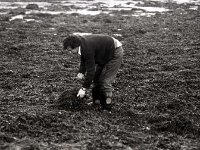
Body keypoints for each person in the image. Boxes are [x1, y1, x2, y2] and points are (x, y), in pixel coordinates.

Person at [63, 34, 123, 111]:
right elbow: (83, 57)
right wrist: (81, 71)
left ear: (76, 46)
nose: (70, 52)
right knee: (96, 79)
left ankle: (108, 106)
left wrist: (83, 89)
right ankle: (96, 102)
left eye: (70, 50)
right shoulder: (81, 44)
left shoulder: (87, 48)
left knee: (105, 81)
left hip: (115, 51)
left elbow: (91, 72)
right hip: (104, 51)